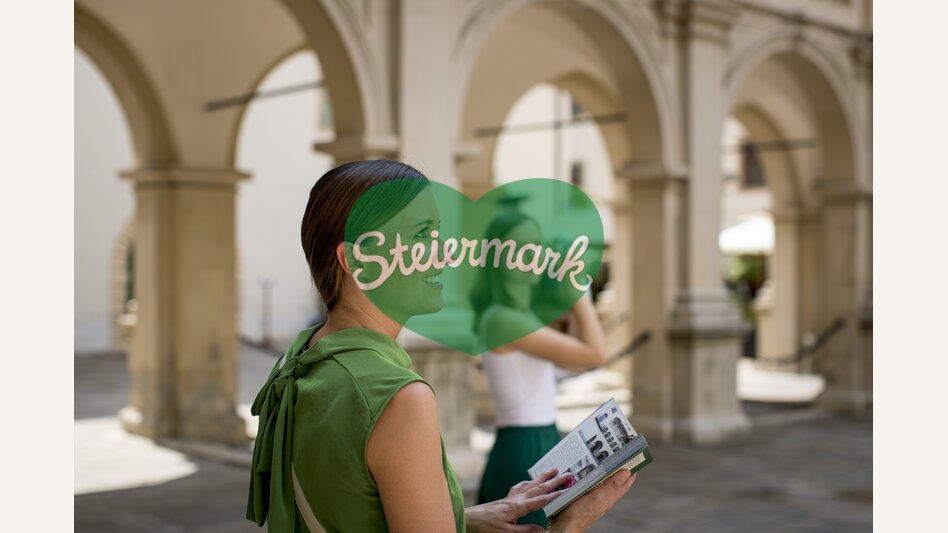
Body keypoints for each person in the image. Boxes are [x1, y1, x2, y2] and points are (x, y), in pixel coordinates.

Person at [247, 159, 635, 532]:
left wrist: (467, 519)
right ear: (355, 259)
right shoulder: (399, 398)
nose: (444, 252)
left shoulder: (303, 358)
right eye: (421, 235)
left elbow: (353, 510)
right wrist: (570, 524)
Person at [471, 209, 610, 528]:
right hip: (524, 447)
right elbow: (596, 354)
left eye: (537, 245)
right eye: (520, 247)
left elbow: (576, 360)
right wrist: (579, 292)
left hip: (541, 439)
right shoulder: (504, 318)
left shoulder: (520, 315)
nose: (533, 255)